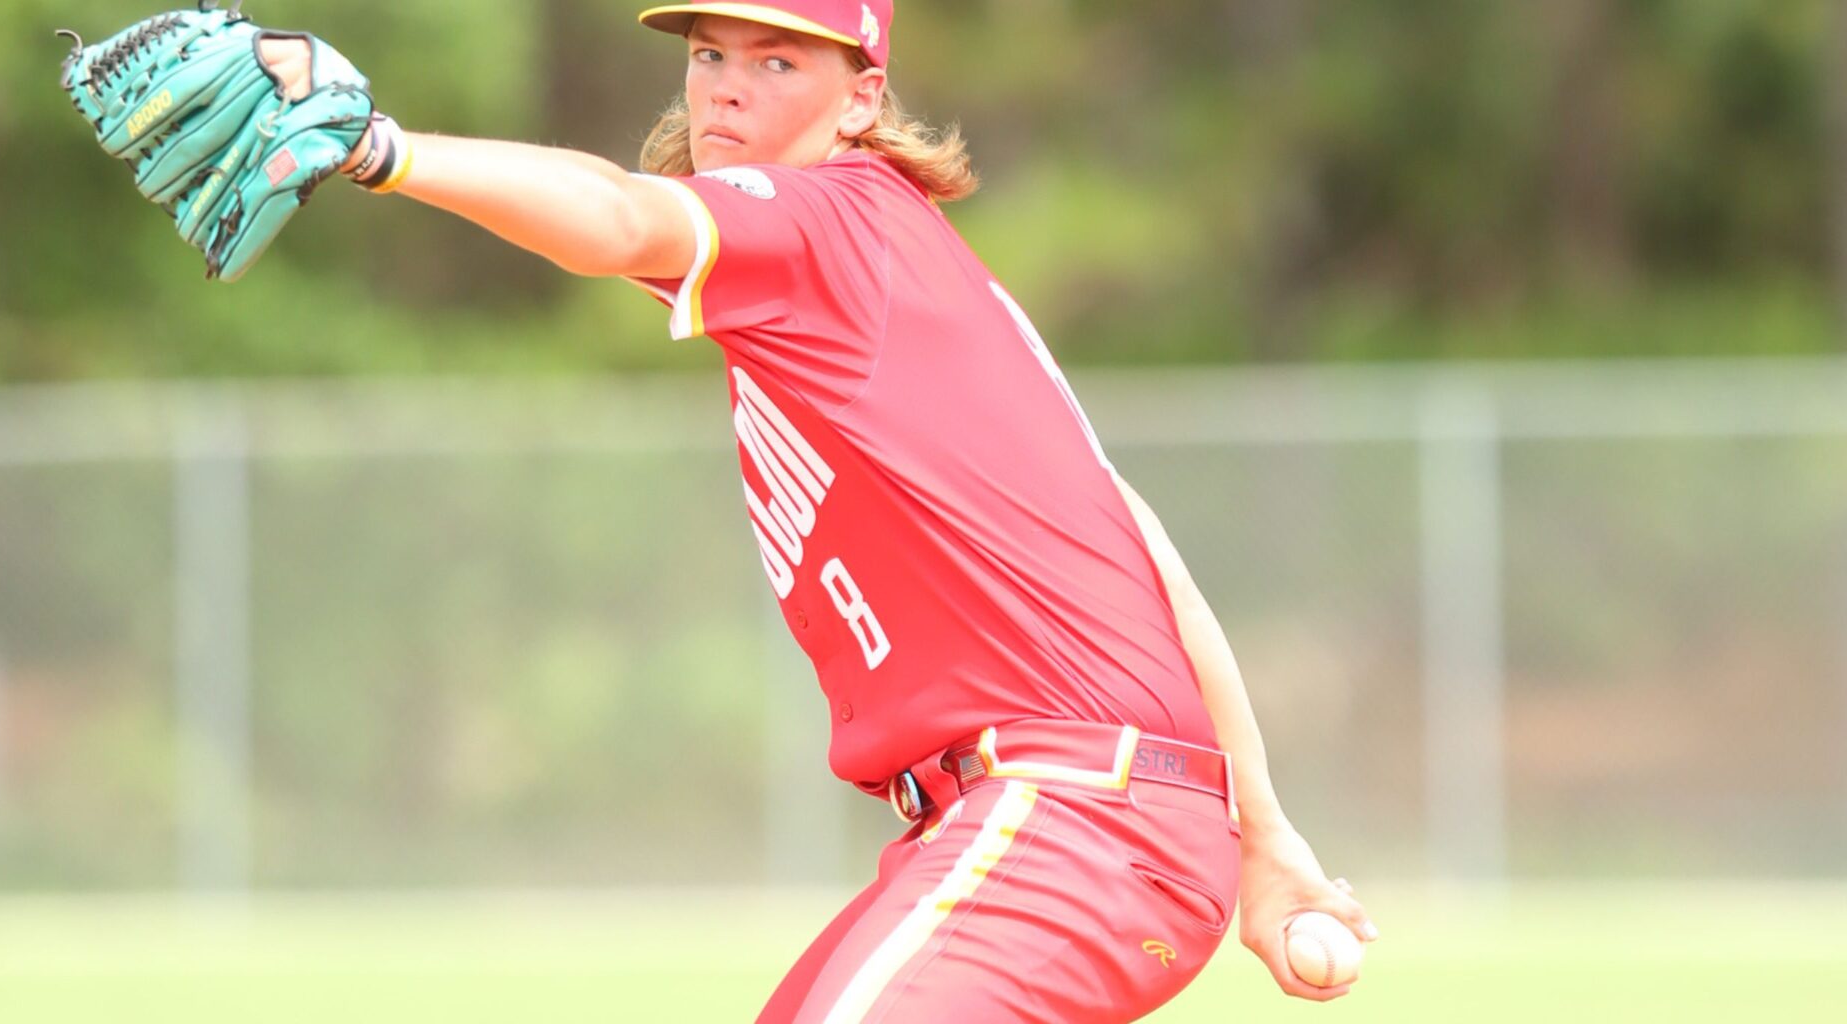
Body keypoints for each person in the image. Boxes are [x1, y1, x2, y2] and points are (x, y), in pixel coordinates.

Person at [317, 1, 1377, 1018]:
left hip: (1069, 817)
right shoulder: (882, 272)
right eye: (710, 56)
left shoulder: (829, 224)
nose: (728, 91)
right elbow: (1150, 560)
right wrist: (1264, 835)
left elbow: (618, 214)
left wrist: (377, 149)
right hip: (1083, 823)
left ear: (862, 99)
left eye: (779, 63)